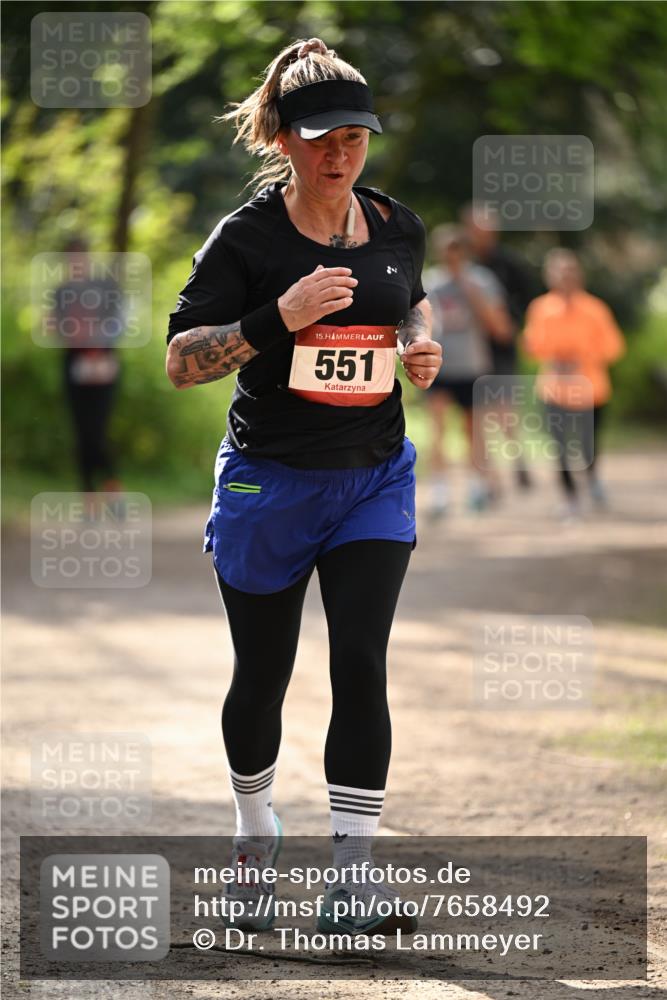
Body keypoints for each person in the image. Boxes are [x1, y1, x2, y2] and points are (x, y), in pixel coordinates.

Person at [165, 38, 442, 937]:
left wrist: (416, 343)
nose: (339, 154)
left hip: (372, 477)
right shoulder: (246, 238)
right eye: (320, 137)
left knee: (360, 661)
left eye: (354, 138)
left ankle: (354, 880)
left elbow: (409, 296)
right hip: (268, 482)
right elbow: (180, 362)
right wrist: (275, 317)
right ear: (282, 137)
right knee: (264, 673)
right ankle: (254, 835)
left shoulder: (397, 222)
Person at [522, 248, 626, 519]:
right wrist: (552, 354)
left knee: (588, 444)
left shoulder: (595, 309)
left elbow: (614, 347)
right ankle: (569, 496)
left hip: (592, 389)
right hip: (554, 390)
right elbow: (532, 346)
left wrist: (581, 356)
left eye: (569, 271)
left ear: (579, 275)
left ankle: (592, 480)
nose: (564, 277)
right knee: (559, 446)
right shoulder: (541, 309)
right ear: (549, 276)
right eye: (558, 271)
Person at [424, 224, 512, 515]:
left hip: (472, 366)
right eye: (446, 252)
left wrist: (470, 290)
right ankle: (439, 491)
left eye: (456, 252)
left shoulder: (482, 280)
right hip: (439, 366)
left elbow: (500, 329)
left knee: (474, 432)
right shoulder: (430, 282)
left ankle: (477, 486)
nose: (451, 258)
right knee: (437, 429)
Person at [461, 203, 539, 490]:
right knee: (475, 413)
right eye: (476, 227)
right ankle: (487, 476)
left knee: (505, 411)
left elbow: (527, 303)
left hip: (502, 347)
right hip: (468, 349)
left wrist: (512, 326)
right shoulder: (462, 263)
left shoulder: (510, 263)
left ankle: (518, 461)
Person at [51, 238, 124, 507]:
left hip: (105, 361)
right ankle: (88, 496)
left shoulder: (105, 287)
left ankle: (112, 488)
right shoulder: (61, 292)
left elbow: (119, 322)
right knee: (81, 431)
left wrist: (98, 344)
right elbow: (56, 326)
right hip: (74, 363)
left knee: (98, 430)